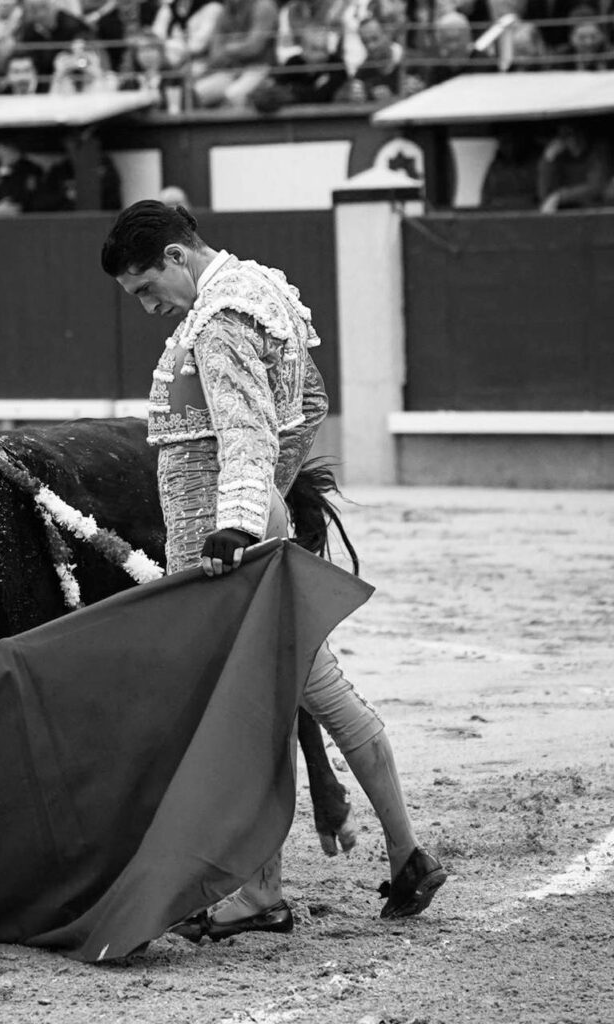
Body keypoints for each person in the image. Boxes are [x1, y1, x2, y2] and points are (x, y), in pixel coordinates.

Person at [100, 201, 446, 937]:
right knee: (319, 695)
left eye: (144, 289)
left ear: (173, 257)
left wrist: (237, 524)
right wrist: (274, 502)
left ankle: (264, 890)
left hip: (228, 558)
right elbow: (308, 403)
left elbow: (249, 433)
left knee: (264, 714)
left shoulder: (221, 320)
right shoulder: (261, 291)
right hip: (254, 536)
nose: (148, 306)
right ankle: (402, 855)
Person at [192, 0, 279, 108]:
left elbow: (254, 47)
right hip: (231, 70)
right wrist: (240, 43)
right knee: (198, 92)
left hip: (261, 69)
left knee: (234, 94)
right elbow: (215, 55)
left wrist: (228, 47)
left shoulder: (264, 6)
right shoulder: (224, 11)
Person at [537, 119, 612, 212]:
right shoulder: (558, 156)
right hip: (570, 213)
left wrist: (561, 196)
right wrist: (548, 160)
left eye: (576, 133)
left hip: (598, 210)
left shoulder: (598, 150)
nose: (574, 139)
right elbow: (545, 197)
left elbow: (596, 187)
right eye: (566, 135)